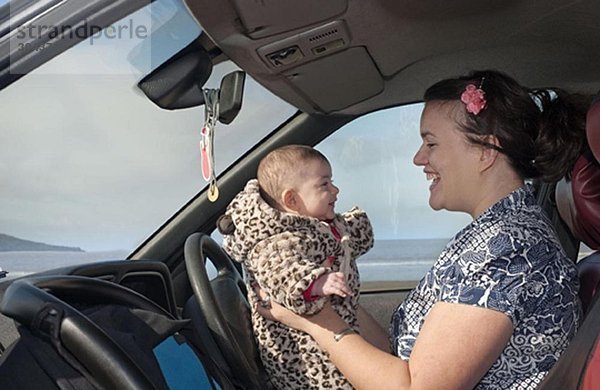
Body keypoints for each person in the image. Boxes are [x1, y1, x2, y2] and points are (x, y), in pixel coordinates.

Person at [254, 70, 587, 389]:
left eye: (431, 144)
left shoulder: (508, 249)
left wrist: (316, 321)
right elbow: (402, 357)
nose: (418, 158)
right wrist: (337, 302)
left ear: (486, 151)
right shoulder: (495, 234)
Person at [216, 145, 380, 389]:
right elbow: (283, 274)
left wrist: (355, 230)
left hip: (330, 340)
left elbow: (339, 243)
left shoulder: (314, 226)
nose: (335, 190)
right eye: (324, 184)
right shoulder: (274, 242)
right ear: (291, 200)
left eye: (331, 182)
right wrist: (316, 283)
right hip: (303, 359)